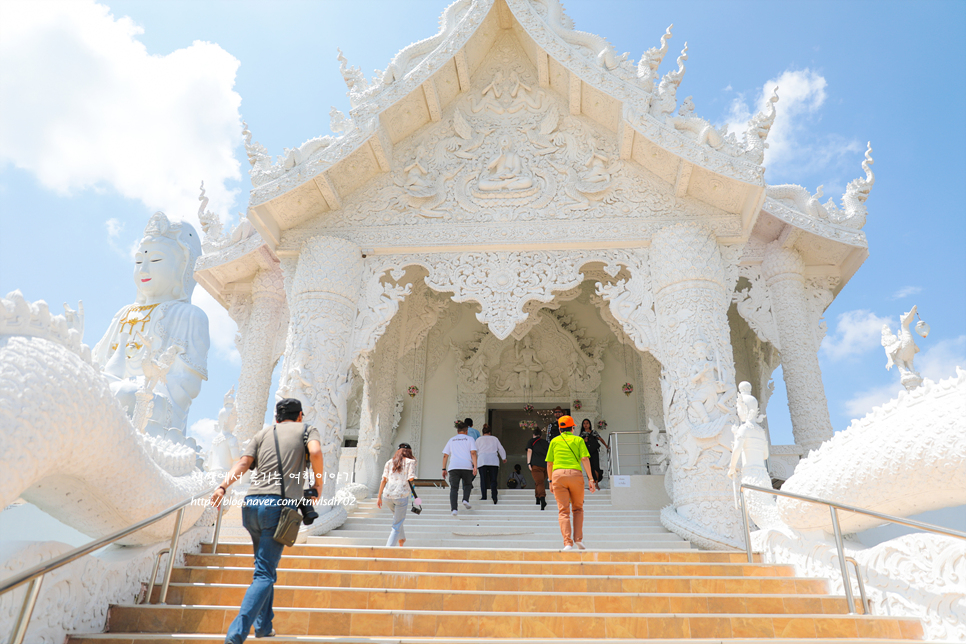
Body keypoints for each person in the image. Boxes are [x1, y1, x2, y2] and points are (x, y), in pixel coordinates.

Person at [212, 398, 323, 643]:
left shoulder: (263, 433)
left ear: (276, 418)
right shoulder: (307, 430)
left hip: (251, 505)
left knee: (265, 568)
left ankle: (263, 626)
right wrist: (319, 484)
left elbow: (243, 463)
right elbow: (315, 451)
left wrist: (222, 486)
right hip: (277, 507)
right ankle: (235, 635)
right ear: (300, 415)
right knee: (264, 574)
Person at [546, 415, 597, 550]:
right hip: (575, 475)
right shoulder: (578, 440)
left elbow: (549, 463)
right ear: (573, 428)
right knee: (578, 508)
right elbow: (585, 459)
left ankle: (567, 543)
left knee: (563, 511)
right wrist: (591, 479)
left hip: (558, 476)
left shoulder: (554, 441)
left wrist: (550, 481)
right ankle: (578, 539)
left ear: (560, 430)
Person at [377, 442, 417, 547]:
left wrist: (379, 497)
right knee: (396, 524)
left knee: (397, 517)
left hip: (387, 496)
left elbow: (383, 480)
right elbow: (411, 478)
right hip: (401, 496)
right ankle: (388, 549)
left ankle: (402, 539)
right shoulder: (411, 462)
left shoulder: (389, 462)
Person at [442, 421, 478, 515]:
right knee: (467, 484)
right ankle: (465, 499)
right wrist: (475, 466)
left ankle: (454, 509)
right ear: (466, 431)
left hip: (454, 466)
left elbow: (445, 455)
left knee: (454, 488)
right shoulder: (470, 439)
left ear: (457, 431)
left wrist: (443, 469)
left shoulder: (452, 440)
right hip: (466, 466)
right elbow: (473, 453)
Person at [475, 424, 506, 503]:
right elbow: (500, 448)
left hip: (482, 460)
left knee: (483, 479)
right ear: (490, 432)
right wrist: (503, 458)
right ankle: (494, 496)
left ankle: (484, 496)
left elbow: (475, 451)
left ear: (483, 432)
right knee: (493, 480)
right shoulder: (494, 439)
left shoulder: (479, 439)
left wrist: (473, 461)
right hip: (493, 461)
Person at [579, 418, 610, 484]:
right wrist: (584, 441)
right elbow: (579, 443)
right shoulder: (582, 434)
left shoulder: (593, 432)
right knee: (589, 467)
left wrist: (606, 445)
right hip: (586, 452)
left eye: (587, 423)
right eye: (584, 423)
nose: (585, 425)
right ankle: (591, 482)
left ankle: (596, 482)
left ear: (589, 424)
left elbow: (600, 439)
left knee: (596, 466)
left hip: (594, 451)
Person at [526, 427, 549, 510]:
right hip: (545, 466)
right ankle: (537, 499)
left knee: (539, 482)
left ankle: (542, 498)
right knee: (539, 482)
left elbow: (529, 451)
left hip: (536, 465)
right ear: (541, 435)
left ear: (533, 435)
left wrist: (528, 463)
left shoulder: (531, 441)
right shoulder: (546, 442)